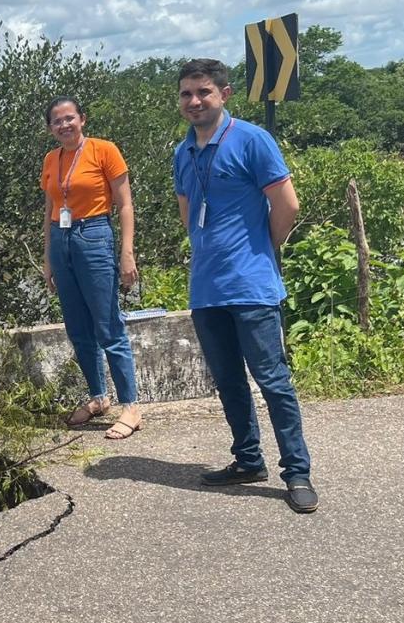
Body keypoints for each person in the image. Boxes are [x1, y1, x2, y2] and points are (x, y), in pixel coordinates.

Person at [172, 58, 318, 513]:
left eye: (204, 93)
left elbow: (287, 205)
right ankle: (247, 460)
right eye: (186, 94)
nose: (195, 101)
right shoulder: (183, 152)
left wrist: (260, 249)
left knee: (273, 382)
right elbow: (186, 210)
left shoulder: (253, 140)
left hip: (251, 286)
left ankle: (297, 473)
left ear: (224, 94)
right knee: (229, 382)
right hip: (207, 287)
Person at [41, 96, 143, 439]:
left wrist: (126, 252)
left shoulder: (104, 150)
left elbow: (125, 204)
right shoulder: (52, 159)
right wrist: (48, 258)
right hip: (61, 239)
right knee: (77, 326)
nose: (64, 125)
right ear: (50, 128)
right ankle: (99, 397)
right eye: (57, 121)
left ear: (82, 119)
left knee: (107, 324)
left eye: (70, 118)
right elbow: (50, 208)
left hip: (94, 234)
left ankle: (130, 405)